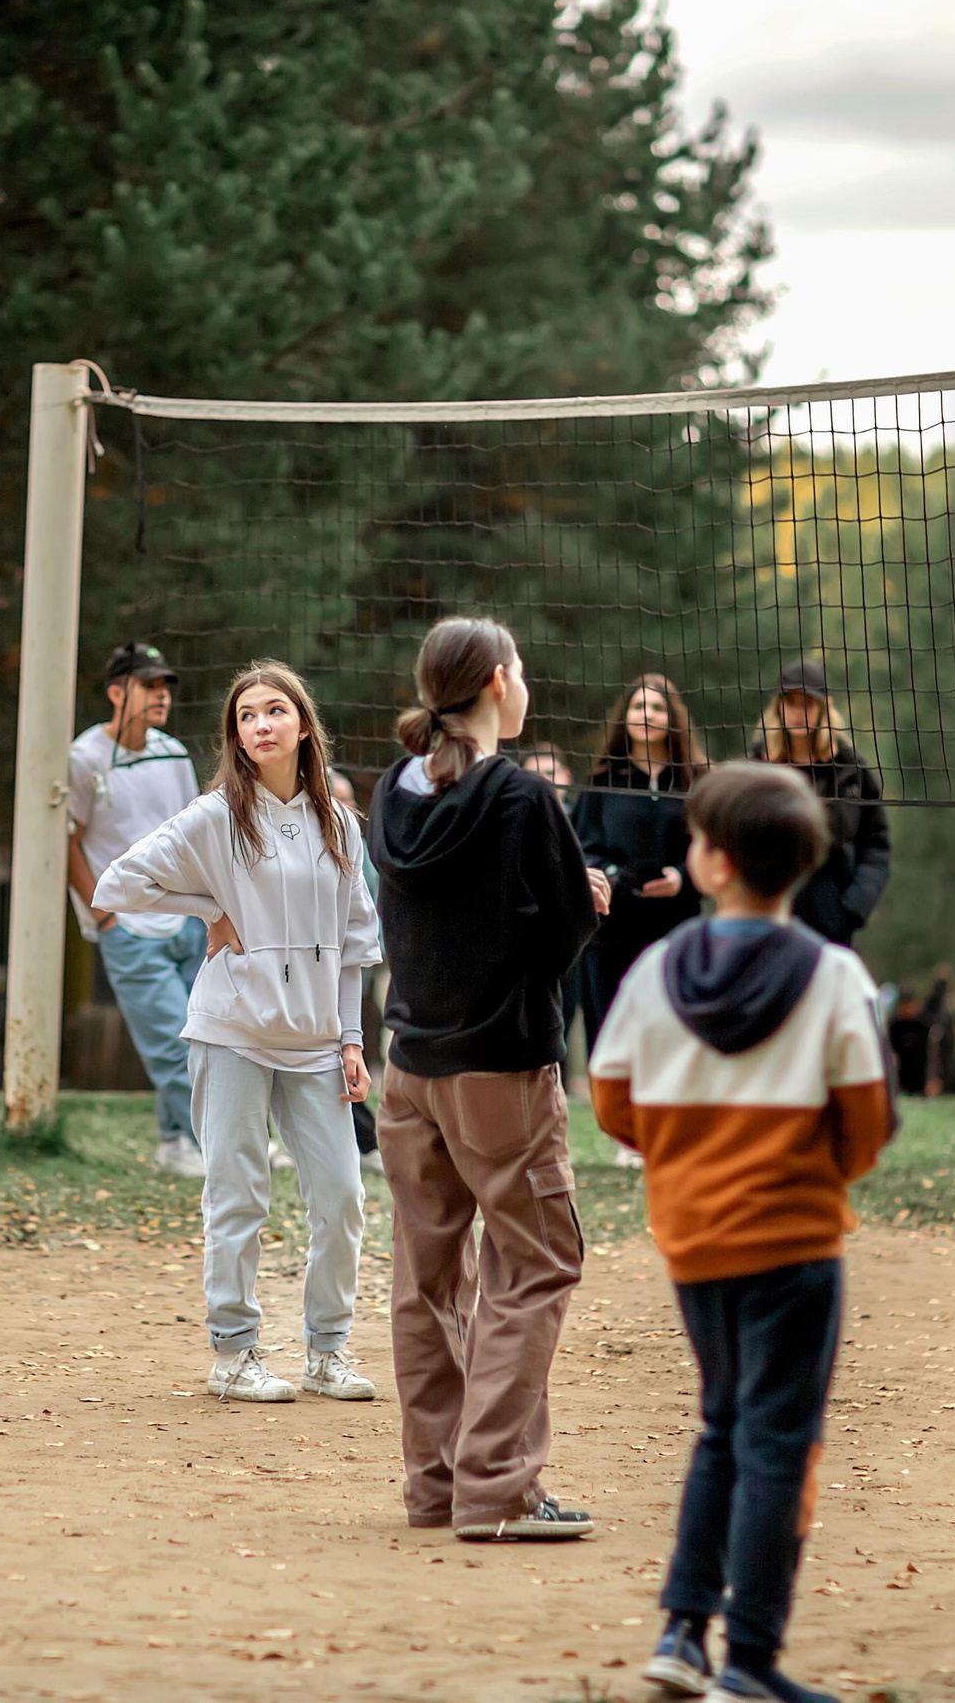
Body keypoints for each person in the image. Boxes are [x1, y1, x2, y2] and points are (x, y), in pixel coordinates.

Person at [589, 761, 894, 1703]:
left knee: (723, 1422)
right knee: (775, 1439)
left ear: (712, 863)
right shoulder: (833, 973)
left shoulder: (654, 969)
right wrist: (807, 1174)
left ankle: (682, 1632)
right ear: (802, 867)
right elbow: (868, 1121)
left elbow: (610, 1100)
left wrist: (688, 1163)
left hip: (695, 1242)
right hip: (797, 1242)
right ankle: (751, 1662)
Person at [370, 616, 609, 1541]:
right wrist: (585, 901)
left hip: (409, 1067)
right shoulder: (519, 798)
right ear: (500, 683)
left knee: (428, 1277)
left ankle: (435, 1484)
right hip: (498, 1070)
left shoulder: (395, 788)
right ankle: (498, 1487)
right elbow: (556, 939)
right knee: (537, 1262)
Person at [94, 663, 382, 1404]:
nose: (260, 723)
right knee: (238, 1193)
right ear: (237, 736)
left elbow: (354, 945)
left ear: (303, 725)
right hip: (231, 1032)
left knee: (343, 1195)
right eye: (246, 715)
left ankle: (327, 1350)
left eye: (275, 710)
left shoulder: (341, 823)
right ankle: (235, 1354)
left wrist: (351, 1041)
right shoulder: (218, 813)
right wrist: (206, 909)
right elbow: (115, 885)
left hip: (317, 1041)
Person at [66, 643, 207, 1176]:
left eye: (166, 687)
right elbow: (67, 843)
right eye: (150, 686)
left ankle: (175, 1146)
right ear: (117, 693)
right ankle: (219, 1143)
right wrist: (105, 916)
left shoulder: (172, 752)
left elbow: (194, 833)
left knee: (209, 1034)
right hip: (129, 927)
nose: (162, 696)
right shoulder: (83, 759)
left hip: (185, 921)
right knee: (177, 1047)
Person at [572, 674, 710, 1165]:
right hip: (613, 929)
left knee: (672, 1026)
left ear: (672, 718)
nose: (646, 716)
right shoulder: (603, 781)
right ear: (624, 717)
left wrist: (681, 877)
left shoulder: (696, 782)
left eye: (656, 708)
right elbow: (581, 849)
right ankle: (624, 1135)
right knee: (613, 1027)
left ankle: (669, 1127)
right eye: (637, 707)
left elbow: (713, 854)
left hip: (674, 929)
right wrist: (612, 874)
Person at [747, 660, 889, 947]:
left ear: (824, 708)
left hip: (829, 915)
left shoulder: (850, 768)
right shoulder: (754, 765)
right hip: (764, 909)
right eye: (791, 702)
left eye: (808, 703)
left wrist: (852, 907)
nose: (799, 712)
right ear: (778, 706)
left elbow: (876, 844)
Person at [331, 769, 387, 1176]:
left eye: (351, 800)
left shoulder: (362, 849)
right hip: (312, 976)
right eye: (338, 799)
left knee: (350, 1056)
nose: (348, 809)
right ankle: (367, 1142)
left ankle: (366, 1141)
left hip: (362, 971)